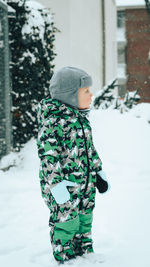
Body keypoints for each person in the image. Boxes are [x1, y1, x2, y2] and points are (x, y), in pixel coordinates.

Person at [36, 66, 110, 265]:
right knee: (67, 222)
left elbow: (90, 150)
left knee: (85, 218)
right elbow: (48, 158)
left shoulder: (81, 120)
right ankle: (66, 257)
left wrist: (98, 171)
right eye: (85, 91)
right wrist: (57, 186)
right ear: (69, 95)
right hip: (64, 187)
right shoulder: (53, 123)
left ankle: (85, 253)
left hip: (85, 184)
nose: (91, 94)